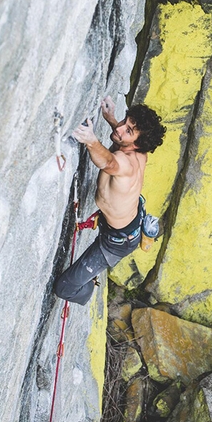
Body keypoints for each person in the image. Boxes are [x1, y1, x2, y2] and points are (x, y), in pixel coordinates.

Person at [54, 96, 166, 305]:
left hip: (117, 241)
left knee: (64, 288)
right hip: (124, 222)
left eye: (128, 130)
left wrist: (90, 140)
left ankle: (87, 287)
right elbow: (124, 139)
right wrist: (111, 118)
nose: (121, 128)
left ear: (137, 143)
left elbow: (108, 162)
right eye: (125, 121)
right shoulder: (138, 149)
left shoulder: (127, 164)